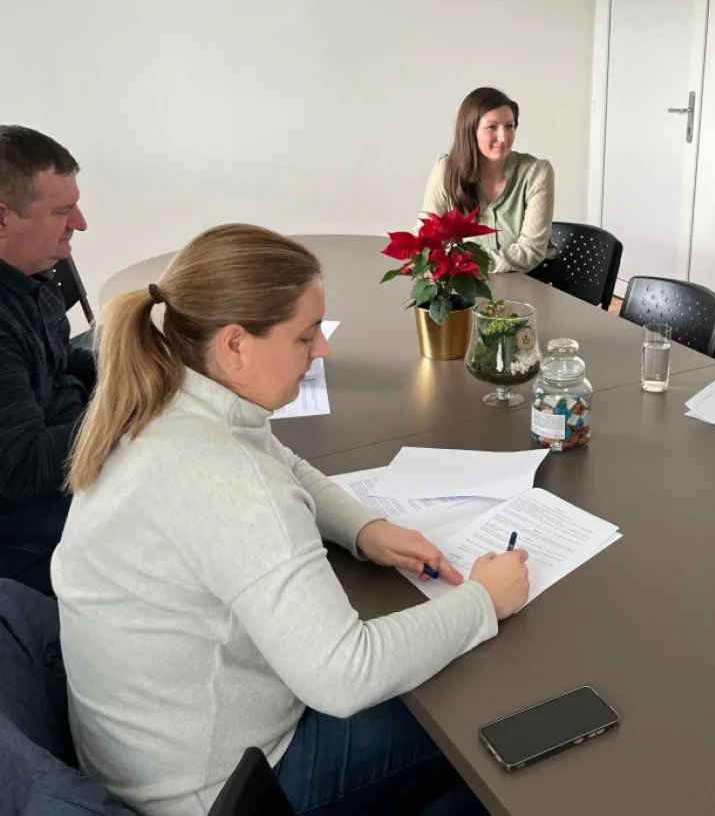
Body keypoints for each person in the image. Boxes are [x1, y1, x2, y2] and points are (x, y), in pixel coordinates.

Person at [52, 224, 530, 816]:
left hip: (151, 749)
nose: (322, 349)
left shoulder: (163, 398)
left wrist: (365, 529)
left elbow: (282, 459)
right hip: (220, 791)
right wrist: (484, 601)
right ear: (235, 344)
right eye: (305, 336)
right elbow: (345, 675)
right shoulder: (228, 481)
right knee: (481, 712)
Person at [0, 125, 92, 594]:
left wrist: (140, 371)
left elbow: (56, 360)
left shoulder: (32, 270)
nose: (80, 222)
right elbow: (25, 469)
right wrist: (126, 409)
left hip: (63, 435)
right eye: (61, 211)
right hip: (20, 526)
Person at [420, 87, 556, 273]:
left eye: (509, 126)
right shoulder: (446, 170)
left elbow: (530, 252)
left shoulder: (537, 172)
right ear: (470, 131)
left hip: (531, 279)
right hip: (468, 281)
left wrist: (464, 263)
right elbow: (427, 236)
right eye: (492, 127)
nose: (504, 137)